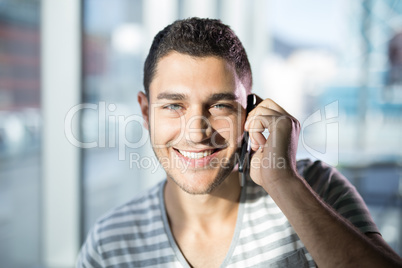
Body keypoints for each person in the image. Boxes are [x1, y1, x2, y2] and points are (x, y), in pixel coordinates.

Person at [77, 18, 402, 267]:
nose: (196, 133)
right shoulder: (109, 244)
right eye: (174, 106)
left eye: (220, 106)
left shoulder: (316, 187)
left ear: (251, 111)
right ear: (146, 113)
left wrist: (283, 182)